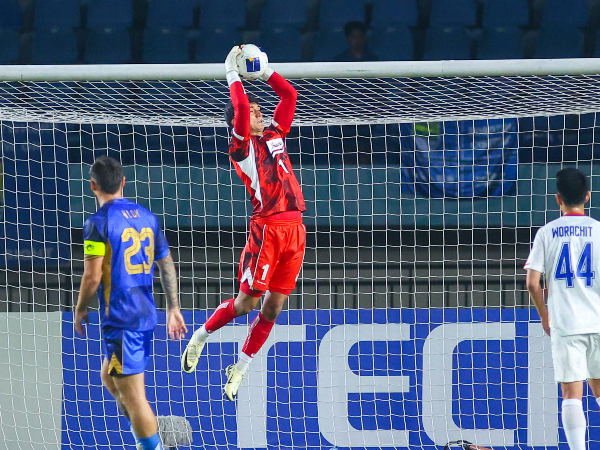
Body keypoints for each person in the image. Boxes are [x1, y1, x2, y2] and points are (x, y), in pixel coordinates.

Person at [181, 46, 306, 402]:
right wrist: (232, 73)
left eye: (258, 110)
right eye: (253, 111)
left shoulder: (276, 133)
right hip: (266, 230)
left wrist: (265, 71)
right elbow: (238, 107)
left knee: (274, 307)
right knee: (246, 304)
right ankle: (200, 337)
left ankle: (240, 368)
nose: (258, 112)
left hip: (296, 229)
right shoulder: (241, 147)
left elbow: (289, 94)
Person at [74, 156, 187, 450]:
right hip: (146, 313)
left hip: (123, 318)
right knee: (109, 377)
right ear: (124, 182)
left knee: (135, 398)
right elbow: (166, 264)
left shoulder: (97, 223)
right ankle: (145, 436)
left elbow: (92, 277)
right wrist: (173, 308)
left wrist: (80, 308)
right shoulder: (147, 217)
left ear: (92, 186)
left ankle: (152, 443)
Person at [525, 168, 600, 450]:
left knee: (571, 394)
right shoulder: (599, 231)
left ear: (558, 199)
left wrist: (545, 316)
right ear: (588, 196)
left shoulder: (547, 233)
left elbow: (532, 284)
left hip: (566, 324)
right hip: (598, 320)